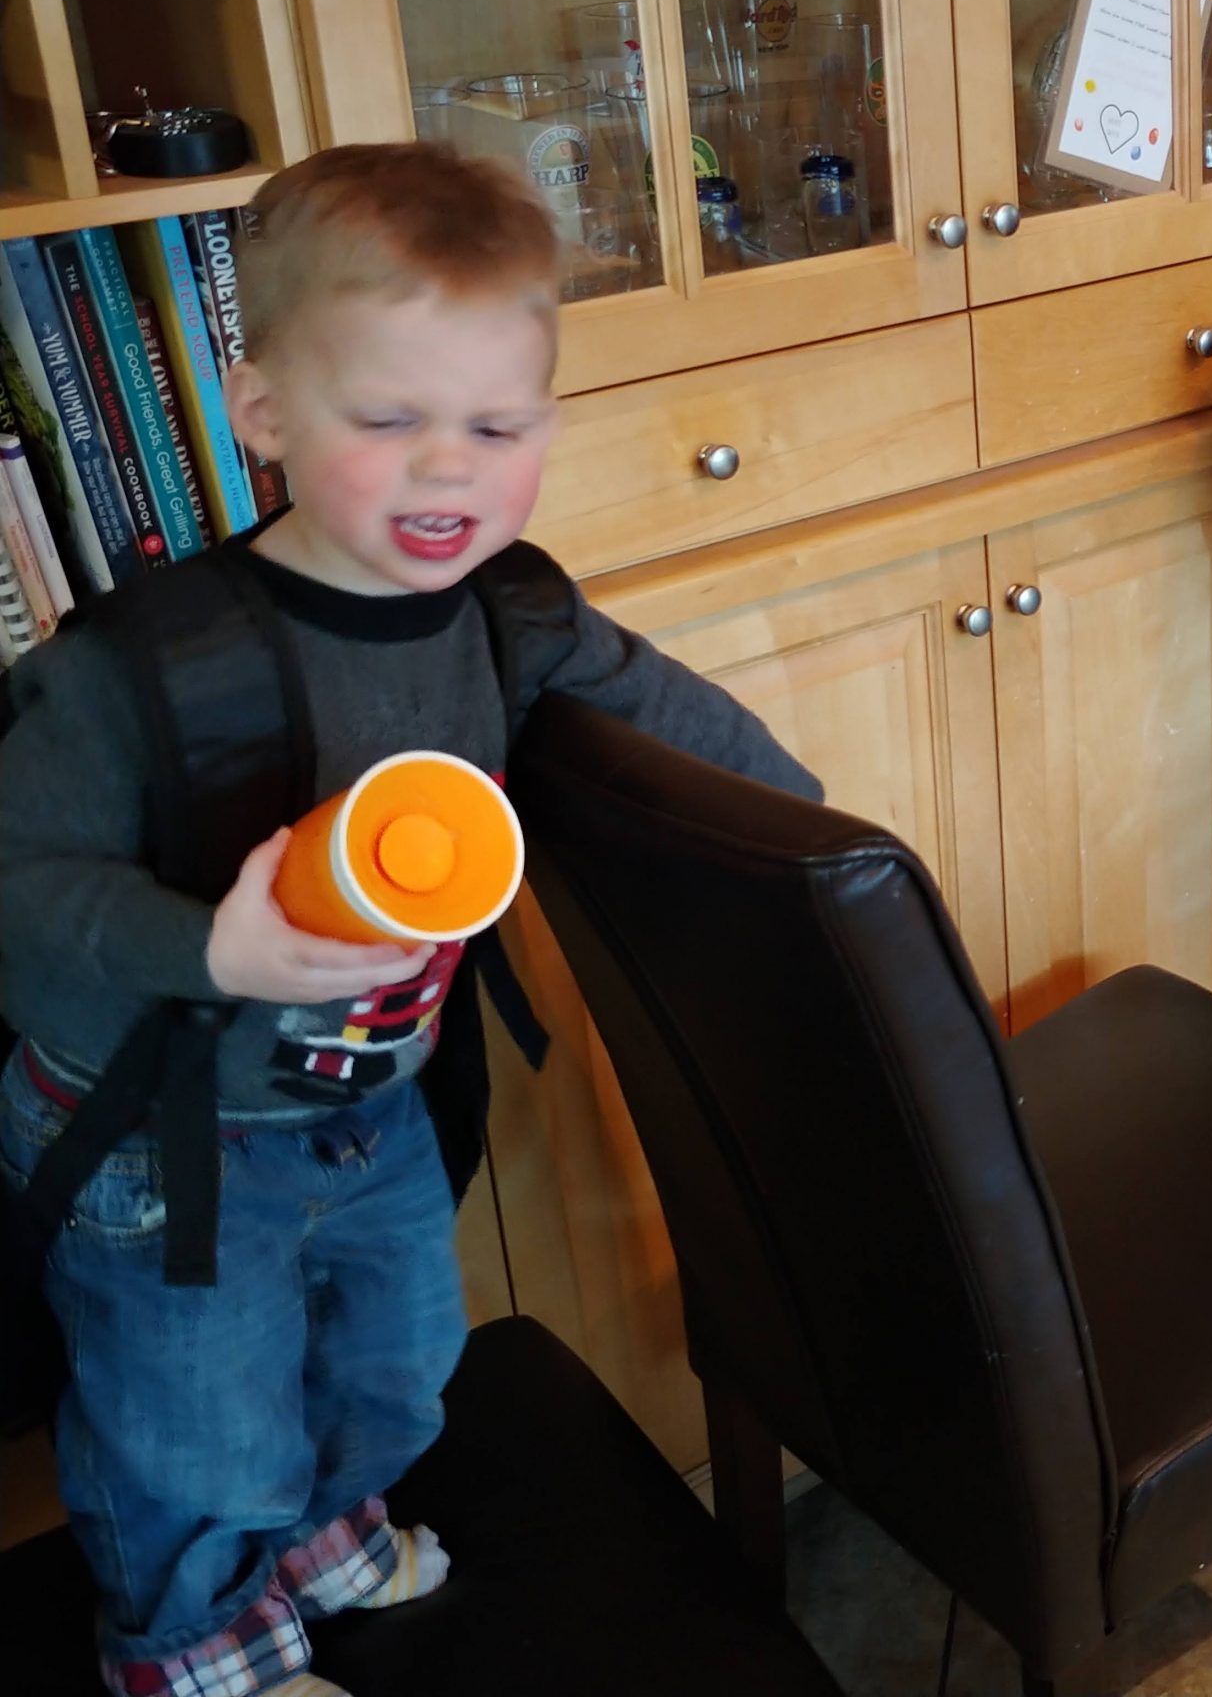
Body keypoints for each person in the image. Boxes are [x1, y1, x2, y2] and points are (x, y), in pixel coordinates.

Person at [0, 141, 823, 1697]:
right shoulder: (133, 669)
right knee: (192, 1421)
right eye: (389, 422)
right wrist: (213, 947)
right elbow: (19, 894)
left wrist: (817, 849)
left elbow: (685, 728)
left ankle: (320, 1533)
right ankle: (188, 1647)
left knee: (393, 1363)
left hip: (371, 1106)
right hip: (164, 1131)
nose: (451, 469)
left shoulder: (512, 609)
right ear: (263, 414)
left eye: (496, 427)